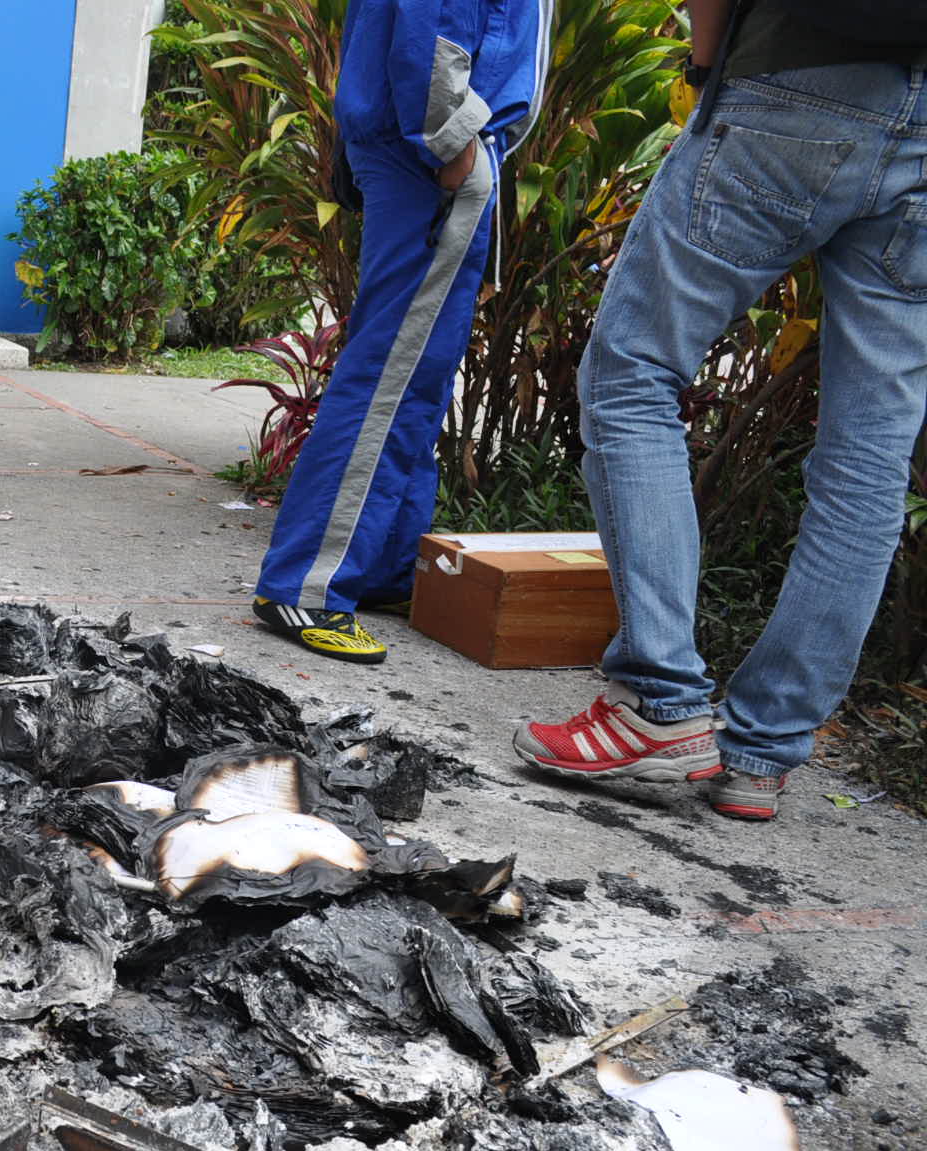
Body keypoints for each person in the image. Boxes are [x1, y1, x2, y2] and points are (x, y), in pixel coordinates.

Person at [515, 0, 927, 821]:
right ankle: (761, 752)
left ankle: (660, 703)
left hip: (793, 86)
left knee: (631, 372)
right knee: (870, 457)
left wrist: (705, 66)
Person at [252, 1, 549, 664]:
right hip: (431, 152)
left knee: (417, 373)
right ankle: (309, 583)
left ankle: (380, 566)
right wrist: (451, 138)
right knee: (391, 372)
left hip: (429, 146)